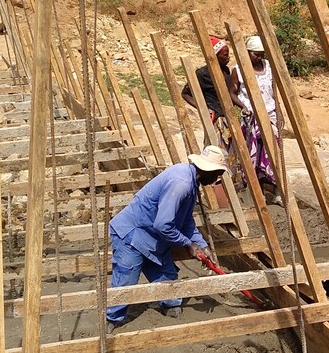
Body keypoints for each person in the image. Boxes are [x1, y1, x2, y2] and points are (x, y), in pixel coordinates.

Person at [105, 146, 229, 326]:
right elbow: (163, 225)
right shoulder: (181, 184)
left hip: (154, 238)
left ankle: (170, 306)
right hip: (132, 234)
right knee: (125, 284)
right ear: (208, 170)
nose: (217, 179)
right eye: (218, 174)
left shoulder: (191, 181)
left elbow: (185, 221)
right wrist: (188, 244)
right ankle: (112, 320)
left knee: (168, 284)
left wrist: (201, 244)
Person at [180, 36, 240, 171]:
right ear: (215, 56)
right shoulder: (202, 74)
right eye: (225, 55)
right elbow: (185, 93)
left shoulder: (226, 70)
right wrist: (204, 108)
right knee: (215, 154)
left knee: (230, 155)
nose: (228, 57)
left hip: (228, 118)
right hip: (216, 120)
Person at [235, 35, 281, 201]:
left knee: (272, 152)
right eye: (256, 53)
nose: (259, 56)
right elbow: (232, 93)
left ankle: (276, 191)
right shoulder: (238, 70)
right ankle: (256, 191)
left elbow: (274, 92)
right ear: (247, 53)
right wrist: (244, 106)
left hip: (270, 115)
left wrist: (279, 112)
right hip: (251, 117)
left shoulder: (268, 67)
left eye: (261, 53)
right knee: (253, 152)